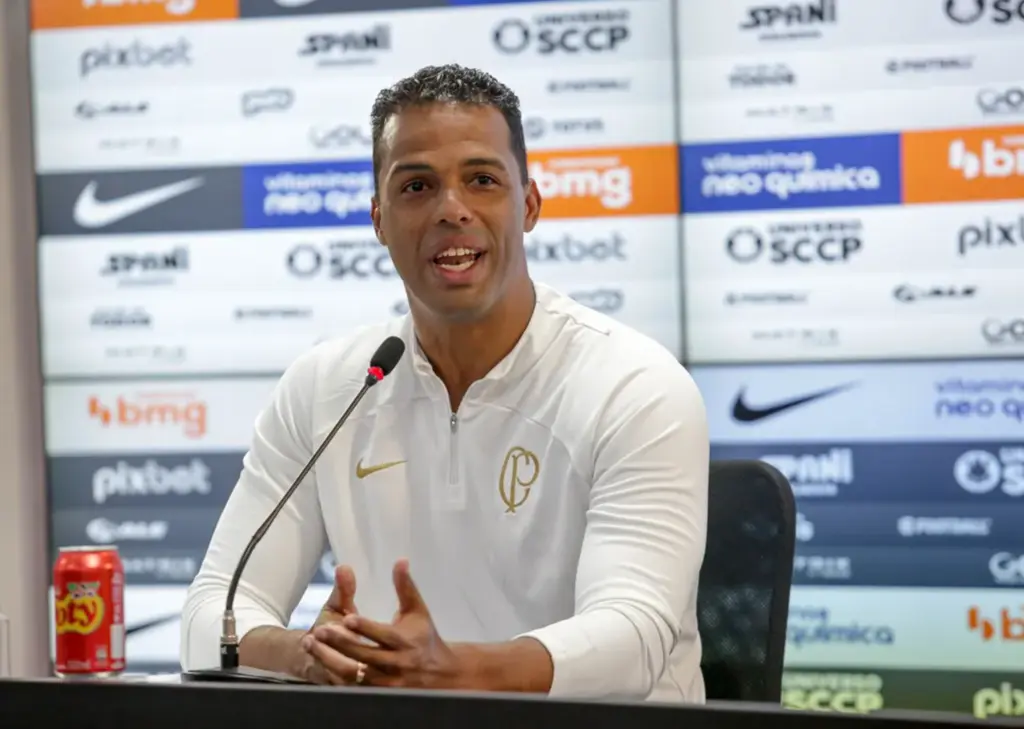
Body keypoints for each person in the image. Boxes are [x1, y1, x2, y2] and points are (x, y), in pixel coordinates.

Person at [180, 63, 709, 702]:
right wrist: (307, 656)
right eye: (417, 187)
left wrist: (447, 672)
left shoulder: (635, 385)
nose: (451, 210)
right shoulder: (329, 387)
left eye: (481, 180)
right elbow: (211, 614)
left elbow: (632, 641)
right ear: (379, 220)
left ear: (531, 204)